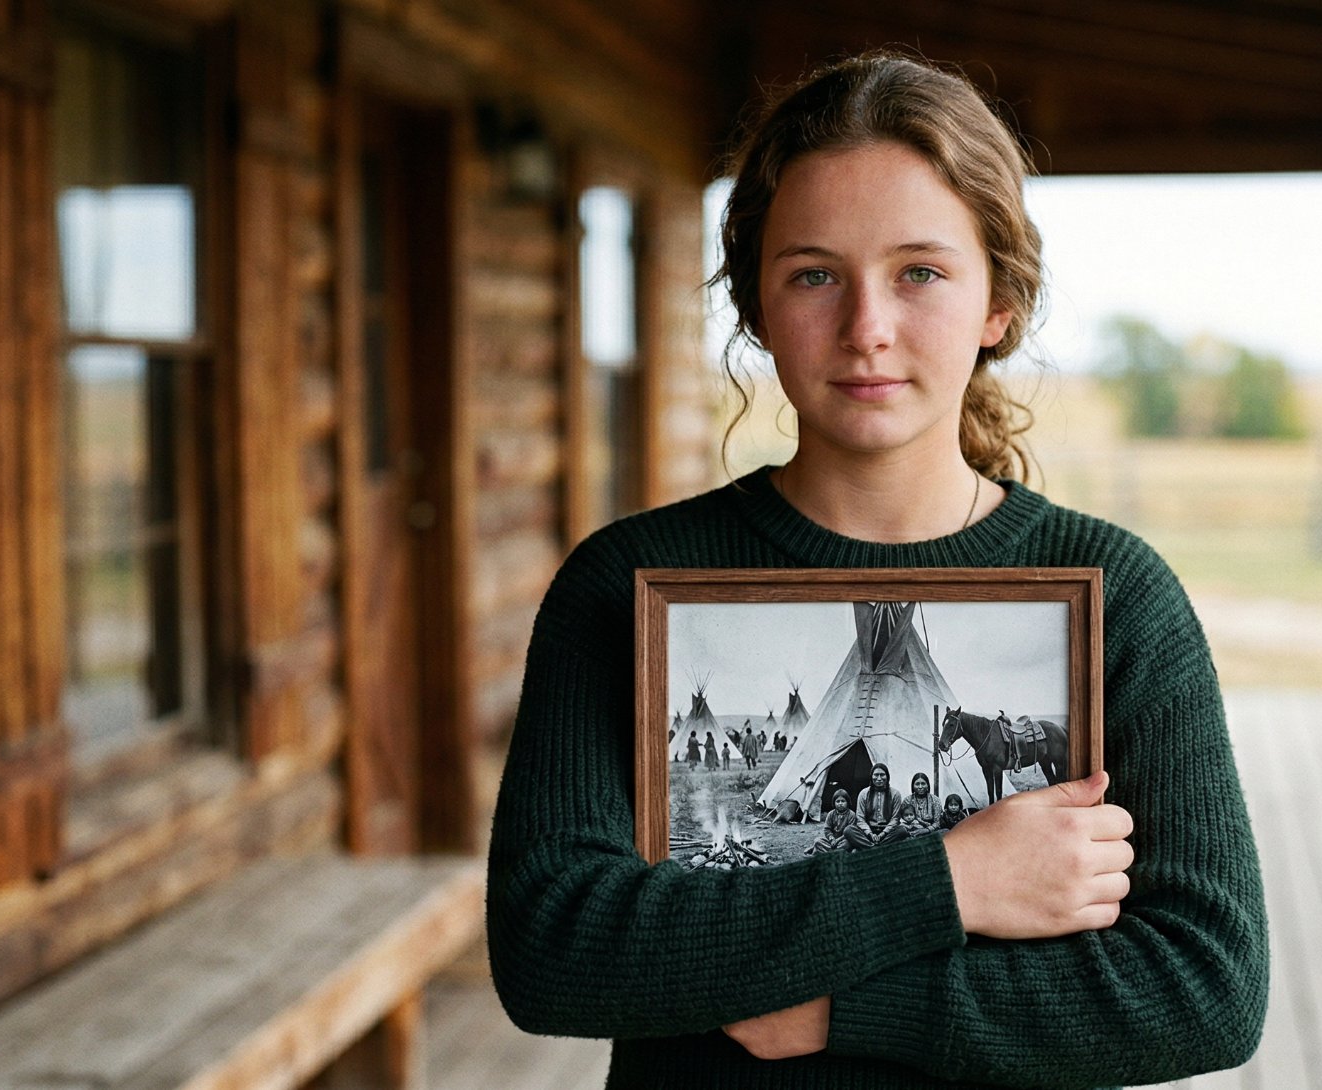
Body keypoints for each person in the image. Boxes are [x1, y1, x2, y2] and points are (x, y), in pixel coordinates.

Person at [487, 51, 1267, 1088]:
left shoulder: (1114, 592)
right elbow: (555, 948)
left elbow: (1202, 986)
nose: (866, 330)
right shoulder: (624, 583)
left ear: (999, 304)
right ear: (756, 307)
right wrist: (950, 880)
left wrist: (838, 1010)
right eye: (813, 274)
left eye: (920, 273)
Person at [884, 772, 943, 843]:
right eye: (917, 784)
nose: (920, 787)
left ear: (927, 785)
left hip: (930, 831)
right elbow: (901, 818)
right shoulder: (907, 800)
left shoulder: (935, 800)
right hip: (911, 831)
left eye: (923, 784)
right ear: (913, 786)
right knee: (901, 831)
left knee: (946, 831)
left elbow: (937, 822)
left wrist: (926, 830)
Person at [807, 788, 868, 854]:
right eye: (838, 801)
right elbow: (827, 829)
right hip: (832, 841)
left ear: (847, 802)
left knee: (847, 844)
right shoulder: (831, 814)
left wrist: (838, 840)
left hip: (844, 840)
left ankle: (824, 852)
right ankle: (834, 853)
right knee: (817, 840)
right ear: (834, 803)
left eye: (843, 801)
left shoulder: (851, 815)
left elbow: (850, 832)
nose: (840, 803)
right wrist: (831, 838)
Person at [854, 763, 899, 841]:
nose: (879, 778)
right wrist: (870, 833)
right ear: (871, 777)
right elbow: (860, 818)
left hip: (887, 832)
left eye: (882, 775)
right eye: (876, 775)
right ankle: (880, 846)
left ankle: (870, 846)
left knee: (902, 831)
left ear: (887, 777)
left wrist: (883, 833)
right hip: (869, 831)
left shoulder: (895, 794)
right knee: (849, 830)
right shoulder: (863, 793)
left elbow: (895, 819)